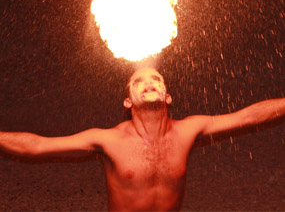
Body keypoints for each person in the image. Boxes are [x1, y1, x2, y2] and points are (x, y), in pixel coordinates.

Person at [0, 67, 284, 212]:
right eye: (139, 81)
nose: (149, 82)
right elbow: (37, 146)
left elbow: (248, 117)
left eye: (156, 79)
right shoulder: (108, 139)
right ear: (127, 101)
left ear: (168, 96)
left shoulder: (188, 130)